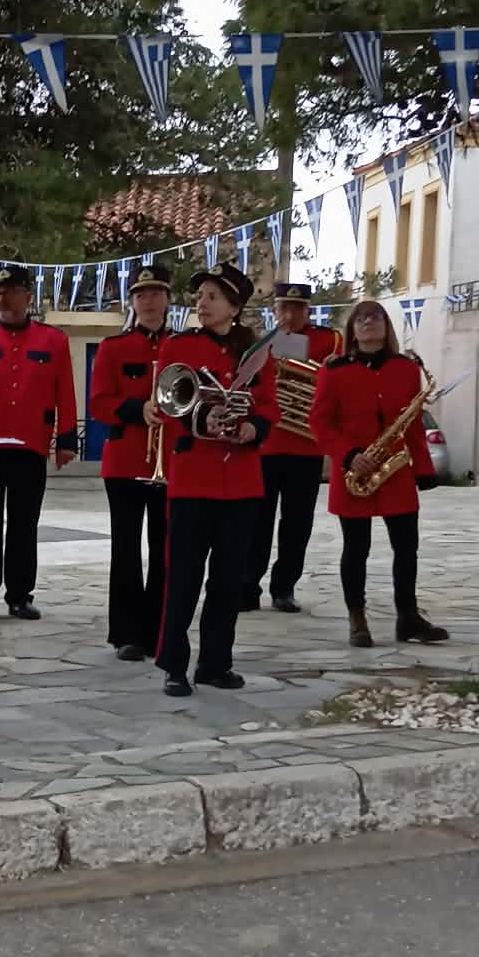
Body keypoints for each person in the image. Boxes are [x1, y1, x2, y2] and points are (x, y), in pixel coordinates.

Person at [147, 263, 278, 698]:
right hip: (193, 479)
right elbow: (168, 403)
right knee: (183, 578)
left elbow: (269, 407)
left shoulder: (256, 352)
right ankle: (173, 664)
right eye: (200, 296)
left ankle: (215, 663)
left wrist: (252, 427)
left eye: (213, 297)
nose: (202, 303)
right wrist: (204, 418)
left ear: (234, 307)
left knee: (228, 580)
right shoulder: (179, 345)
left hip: (241, 482)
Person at [306, 299, 448, 648]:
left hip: (395, 471)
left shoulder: (406, 368)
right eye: (361, 318)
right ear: (352, 330)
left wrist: (424, 468)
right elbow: (320, 423)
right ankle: (357, 618)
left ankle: (408, 617)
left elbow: (413, 423)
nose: (368, 322)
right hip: (354, 470)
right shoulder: (334, 370)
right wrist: (348, 455)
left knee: (407, 547)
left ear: (386, 327)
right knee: (356, 549)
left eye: (376, 317)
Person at [0, 262, 78, 620]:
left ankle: (19, 594)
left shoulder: (53, 340)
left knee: (24, 524)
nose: (4, 300)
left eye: (12, 292)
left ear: (27, 296)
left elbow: (65, 390)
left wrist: (67, 439)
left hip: (29, 444)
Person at [86, 262, 174, 661]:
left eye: (155, 293)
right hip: (124, 461)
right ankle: (126, 633)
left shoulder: (180, 347)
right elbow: (99, 403)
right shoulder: (113, 347)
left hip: (170, 462)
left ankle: (159, 631)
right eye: (141, 295)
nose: (148, 301)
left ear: (168, 300)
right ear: (132, 302)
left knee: (165, 549)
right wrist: (139, 409)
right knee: (125, 548)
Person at [244, 280, 343, 613]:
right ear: (274, 311)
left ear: (308, 311)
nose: (289, 314)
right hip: (267, 446)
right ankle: (247, 585)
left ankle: (284, 588)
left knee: (297, 524)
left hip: (306, 446)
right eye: (284, 308)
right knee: (257, 523)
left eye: (297, 309)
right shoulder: (263, 342)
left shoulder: (330, 340)